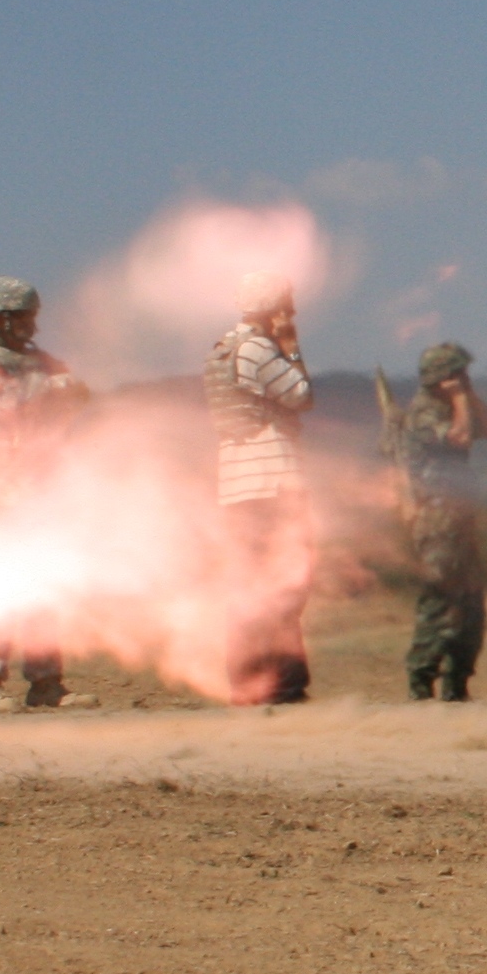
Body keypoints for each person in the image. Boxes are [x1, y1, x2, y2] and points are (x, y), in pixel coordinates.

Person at [0, 276, 89, 712]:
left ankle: (46, 682)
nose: (31, 325)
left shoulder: (41, 362)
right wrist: (52, 392)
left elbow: (72, 399)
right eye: (24, 317)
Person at [205, 271, 315, 705]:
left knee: (249, 587)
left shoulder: (224, 348)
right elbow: (301, 394)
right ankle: (283, 687)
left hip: (237, 483)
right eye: (287, 304)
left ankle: (248, 685)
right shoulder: (257, 347)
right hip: (273, 480)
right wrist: (292, 346)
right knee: (286, 584)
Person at [397, 342, 487, 702]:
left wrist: (468, 396)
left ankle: (457, 685)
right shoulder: (423, 413)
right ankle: (421, 684)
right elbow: (459, 437)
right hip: (437, 516)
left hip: (459, 515)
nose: (465, 378)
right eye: (458, 373)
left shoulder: (452, 406)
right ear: (443, 378)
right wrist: (459, 399)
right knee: (440, 598)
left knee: (471, 603)